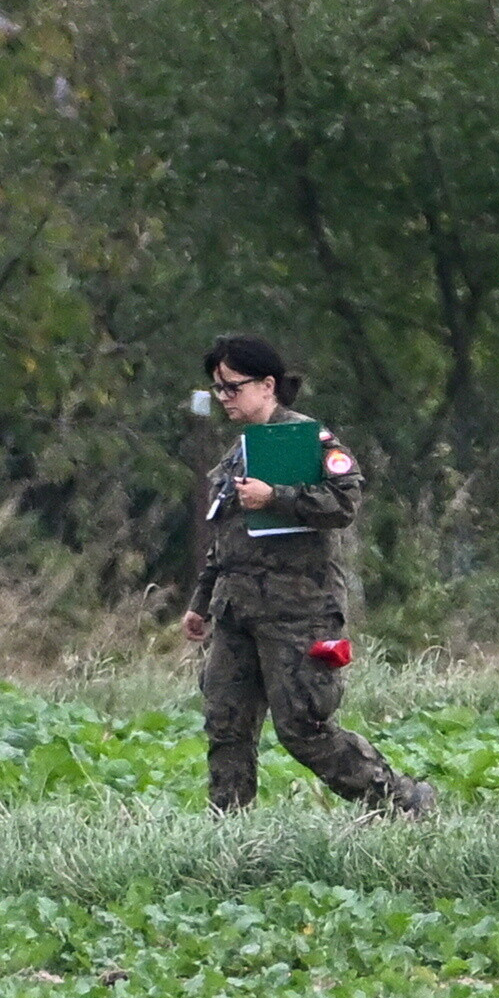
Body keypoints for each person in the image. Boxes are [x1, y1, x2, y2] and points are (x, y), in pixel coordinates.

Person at [179, 335, 434, 815]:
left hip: (298, 610)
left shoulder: (308, 442)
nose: (224, 399)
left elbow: (344, 503)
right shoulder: (237, 454)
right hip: (236, 610)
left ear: (267, 385)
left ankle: (399, 801)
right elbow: (226, 538)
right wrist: (200, 601)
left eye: (233, 387)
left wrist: (276, 497)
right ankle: (229, 830)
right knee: (226, 726)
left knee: (304, 728)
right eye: (218, 390)